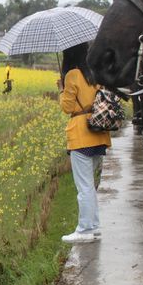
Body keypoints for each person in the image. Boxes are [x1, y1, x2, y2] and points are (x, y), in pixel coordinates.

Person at [58, 42, 111, 244]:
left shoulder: (72, 75)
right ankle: (94, 226)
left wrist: (62, 90)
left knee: (84, 187)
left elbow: (67, 107)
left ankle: (85, 230)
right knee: (90, 184)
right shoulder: (94, 73)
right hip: (98, 132)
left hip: (81, 135)